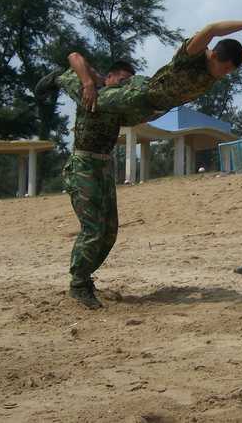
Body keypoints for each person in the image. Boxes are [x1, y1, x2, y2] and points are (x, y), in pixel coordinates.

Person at [50, 20, 242, 126]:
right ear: (215, 56)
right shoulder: (193, 55)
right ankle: (63, 77)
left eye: (230, 71)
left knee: (109, 122)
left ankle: (95, 78)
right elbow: (211, 30)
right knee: (92, 103)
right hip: (140, 94)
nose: (225, 74)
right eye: (225, 69)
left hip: (155, 109)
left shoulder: (226, 61)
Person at [57, 60, 139, 309]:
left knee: (110, 231)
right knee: (93, 229)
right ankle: (78, 284)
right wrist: (88, 81)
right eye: (122, 80)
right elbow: (74, 57)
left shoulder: (120, 103)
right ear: (110, 76)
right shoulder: (92, 92)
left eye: (128, 82)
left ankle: (85, 276)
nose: (124, 85)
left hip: (104, 167)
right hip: (83, 164)